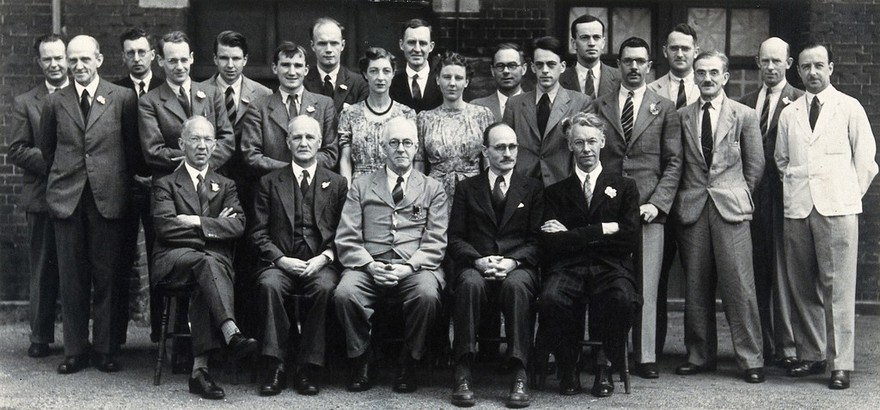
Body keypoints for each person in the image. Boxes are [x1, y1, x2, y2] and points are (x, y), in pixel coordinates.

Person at [776, 44, 878, 390]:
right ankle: (812, 353)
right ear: (798, 71)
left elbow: (866, 161)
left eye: (819, 65)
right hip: (799, 209)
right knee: (802, 286)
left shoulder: (849, 108)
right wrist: (798, 189)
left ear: (831, 68)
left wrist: (846, 196)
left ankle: (840, 363)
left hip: (838, 209)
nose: (812, 73)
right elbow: (781, 160)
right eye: (806, 67)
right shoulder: (789, 114)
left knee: (837, 289)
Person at [39, 35, 139, 374]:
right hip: (68, 199)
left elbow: (130, 148)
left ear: (99, 59)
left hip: (108, 198)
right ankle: (75, 350)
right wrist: (64, 181)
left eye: (85, 59)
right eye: (73, 60)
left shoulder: (122, 97)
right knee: (72, 278)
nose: (78, 66)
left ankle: (105, 348)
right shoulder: (55, 101)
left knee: (107, 276)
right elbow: (48, 149)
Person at [586, 36, 682, 380]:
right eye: (627, 61)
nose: (634, 67)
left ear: (649, 65)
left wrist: (657, 204)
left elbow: (673, 163)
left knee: (647, 283)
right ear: (619, 64)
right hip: (609, 208)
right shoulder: (600, 105)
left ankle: (644, 356)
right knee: (608, 279)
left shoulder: (664, 108)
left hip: (648, 209)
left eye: (641, 61)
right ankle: (607, 352)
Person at [333, 117, 447, 393]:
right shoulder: (361, 185)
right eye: (393, 143)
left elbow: (436, 239)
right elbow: (347, 235)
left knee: (427, 295)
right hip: (368, 265)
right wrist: (370, 266)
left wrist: (408, 268)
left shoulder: (432, 188)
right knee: (345, 294)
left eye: (407, 143)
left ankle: (410, 359)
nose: (400, 149)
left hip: (414, 268)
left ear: (416, 147)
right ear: (383, 146)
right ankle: (362, 359)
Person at [673, 50, 765, 384]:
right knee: (696, 286)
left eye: (714, 73)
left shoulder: (745, 115)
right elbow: (679, 163)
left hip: (731, 208)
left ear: (725, 77)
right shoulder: (682, 115)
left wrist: (737, 193)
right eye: (701, 73)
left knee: (739, 285)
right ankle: (699, 355)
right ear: (694, 77)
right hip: (694, 207)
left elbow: (756, 166)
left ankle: (751, 358)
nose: (707, 79)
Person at [150, 116, 256, 400]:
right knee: (207, 262)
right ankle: (230, 330)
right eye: (195, 139)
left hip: (205, 268)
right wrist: (213, 227)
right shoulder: (165, 184)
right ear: (181, 144)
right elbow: (166, 227)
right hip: (173, 262)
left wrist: (196, 220)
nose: (201, 146)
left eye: (208, 139)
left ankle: (200, 371)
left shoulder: (226, 185)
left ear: (215, 145)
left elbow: (238, 225)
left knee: (204, 272)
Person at [536, 112, 640, 398]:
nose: (586, 149)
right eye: (579, 142)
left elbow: (628, 238)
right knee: (551, 298)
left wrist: (573, 234)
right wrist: (604, 229)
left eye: (592, 141)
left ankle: (604, 366)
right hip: (568, 267)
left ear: (602, 142)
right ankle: (568, 367)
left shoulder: (624, 187)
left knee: (621, 298)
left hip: (611, 266)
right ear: (569, 145)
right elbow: (551, 243)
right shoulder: (556, 192)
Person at [250, 116, 347, 396]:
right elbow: (257, 233)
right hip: (279, 262)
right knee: (269, 285)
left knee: (326, 288)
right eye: (297, 137)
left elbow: (347, 231)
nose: (303, 143)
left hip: (320, 263)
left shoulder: (337, 183)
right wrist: (280, 259)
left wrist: (325, 257)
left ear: (319, 143)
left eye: (309, 137)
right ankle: (275, 365)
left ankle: (309, 367)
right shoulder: (269, 182)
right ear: (287, 142)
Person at [448, 122, 542, 408]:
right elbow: (454, 237)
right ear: (485, 151)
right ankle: (463, 369)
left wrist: (514, 261)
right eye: (500, 147)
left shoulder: (533, 188)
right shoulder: (467, 188)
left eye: (512, 146)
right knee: (469, 283)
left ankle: (519, 371)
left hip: (518, 266)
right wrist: (477, 259)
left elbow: (538, 240)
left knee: (516, 287)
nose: (508, 153)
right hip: (477, 263)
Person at [738, 37, 804, 370]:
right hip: (752, 200)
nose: (771, 67)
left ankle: (789, 347)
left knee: (785, 274)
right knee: (757, 273)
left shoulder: (801, 102)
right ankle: (763, 345)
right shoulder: (745, 103)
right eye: (765, 61)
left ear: (789, 64)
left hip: (786, 199)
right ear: (757, 62)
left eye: (777, 61)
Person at [8, 34, 68, 359]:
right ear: (39, 62)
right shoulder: (25, 102)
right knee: (43, 267)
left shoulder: (79, 95)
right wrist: (58, 164)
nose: (55, 64)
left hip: (78, 196)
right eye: (48, 59)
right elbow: (17, 150)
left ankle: (77, 338)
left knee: (76, 269)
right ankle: (41, 335)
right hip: (42, 196)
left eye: (59, 57)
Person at [113, 27, 163, 346]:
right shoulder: (115, 92)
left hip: (160, 186)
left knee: (161, 258)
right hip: (125, 185)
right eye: (130, 52)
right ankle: (115, 339)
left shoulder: (164, 89)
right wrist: (131, 175)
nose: (136, 58)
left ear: (152, 55)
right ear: (123, 57)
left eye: (141, 52)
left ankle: (161, 332)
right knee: (119, 259)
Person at [138, 31, 234, 179]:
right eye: (172, 61)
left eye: (184, 60)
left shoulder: (212, 94)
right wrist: (196, 158)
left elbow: (227, 140)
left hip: (212, 179)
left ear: (191, 58)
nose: (180, 67)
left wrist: (204, 163)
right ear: (160, 60)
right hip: (171, 183)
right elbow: (154, 151)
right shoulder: (149, 101)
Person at [503, 36, 591, 187]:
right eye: (539, 65)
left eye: (551, 64)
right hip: (523, 187)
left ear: (562, 66)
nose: (545, 70)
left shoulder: (581, 102)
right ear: (532, 68)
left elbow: (583, 150)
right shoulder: (514, 104)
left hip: (562, 186)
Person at [241, 41, 338, 177]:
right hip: (272, 186)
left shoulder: (324, 105)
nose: (292, 72)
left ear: (306, 69)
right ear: (275, 68)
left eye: (298, 66)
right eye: (285, 65)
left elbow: (330, 154)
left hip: (313, 184)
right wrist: (290, 170)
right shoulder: (258, 108)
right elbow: (251, 155)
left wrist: (303, 169)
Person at [417, 52, 494, 203]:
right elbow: (418, 164)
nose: (452, 83)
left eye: (458, 78)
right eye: (446, 77)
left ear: (466, 81)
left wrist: (489, 196)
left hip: (474, 193)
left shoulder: (482, 115)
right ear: (438, 79)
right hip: (435, 194)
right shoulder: (425, 118)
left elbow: (488, 162)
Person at [337, 47, 416, 184]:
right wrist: (348, 194)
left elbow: (411, 159)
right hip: (360, 187)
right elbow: (345, 160)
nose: (380, 77)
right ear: (365, 74)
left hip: (395, 185)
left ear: (393, 74)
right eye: (374, 71)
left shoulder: (406, 114)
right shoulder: (350, 114)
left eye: (386, 71)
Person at [304, 17, 369, 114]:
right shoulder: (302, 82)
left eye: (334, 43)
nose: (329, 49)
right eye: (322, 43)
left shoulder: (359, 84)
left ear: (342, 45)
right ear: (313, 45)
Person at [559, 14, 621, 99]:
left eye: (596, 37)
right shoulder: (560, 79)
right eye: (584, 38)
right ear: (574, 43)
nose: (591, 43)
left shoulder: (620, 78)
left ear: (603, 43)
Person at [390, 19, 443, 112]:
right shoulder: (391, 83)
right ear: (401, 44)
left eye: (422, 43)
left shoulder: (443, 82)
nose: (417, 49)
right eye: (411, 42)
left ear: (431, 47)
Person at [648, 23, 701, 109]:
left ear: (696, 52)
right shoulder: (651, 90)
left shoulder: (707, 87)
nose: (679, 54)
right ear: (665, 51)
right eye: (674, 48)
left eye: (685, 49)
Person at [471, 43, 527, 122]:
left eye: (512, 65)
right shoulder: (476, 107)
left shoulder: (535, 106)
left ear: (524, 69)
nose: (506, 71)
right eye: (500, 66)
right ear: (492, 71)